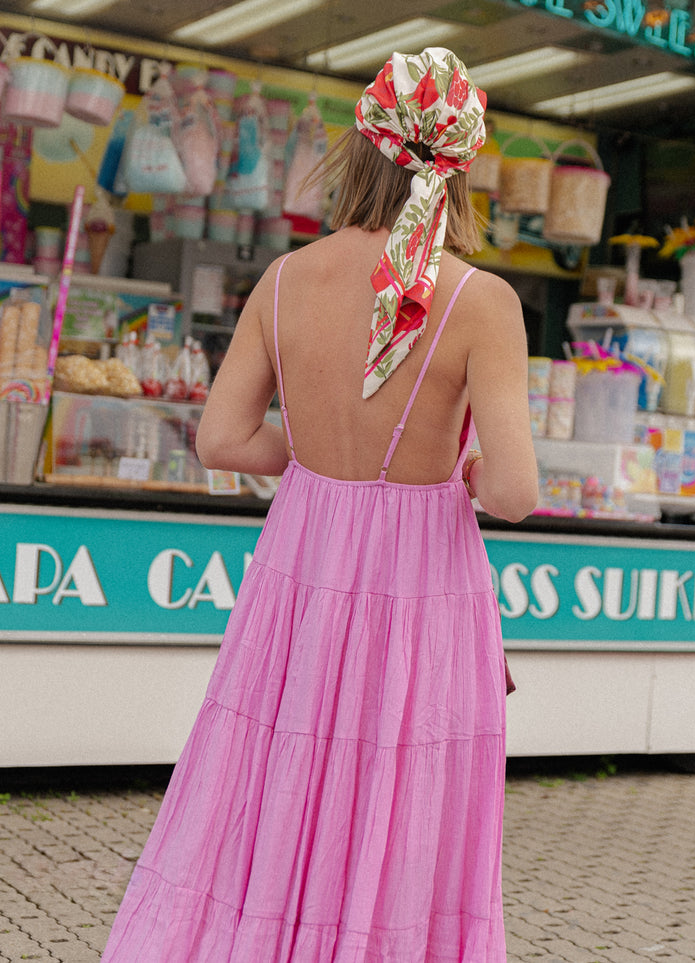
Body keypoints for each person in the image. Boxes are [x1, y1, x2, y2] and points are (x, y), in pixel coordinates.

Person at [100, 47, 537, 963]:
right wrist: (456, 475)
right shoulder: (482, 301)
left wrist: (311, 458)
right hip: (423, 589)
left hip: (303, 563)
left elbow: (221, 440)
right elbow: (514, 491)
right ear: (459, 166)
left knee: (276, 781)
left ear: (361, 150)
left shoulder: (285, 280)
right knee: (398, 792)